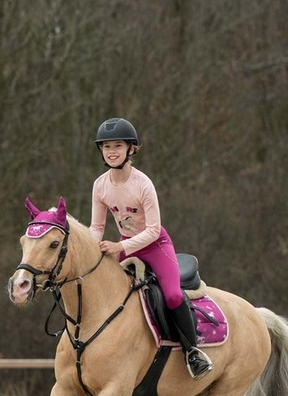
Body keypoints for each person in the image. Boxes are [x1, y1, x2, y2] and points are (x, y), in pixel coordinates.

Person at [89, 117, 213, 380]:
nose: (111, 151)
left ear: (131, 149)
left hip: (156, 246)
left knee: (172, 296)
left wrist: (119, 245)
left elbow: (154, 230)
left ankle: (193, 353)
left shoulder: (143, 184)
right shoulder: (100, 185)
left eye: (118, 146)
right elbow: (96, 227)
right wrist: (91, 248)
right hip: (124, 245)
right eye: (107, 146)